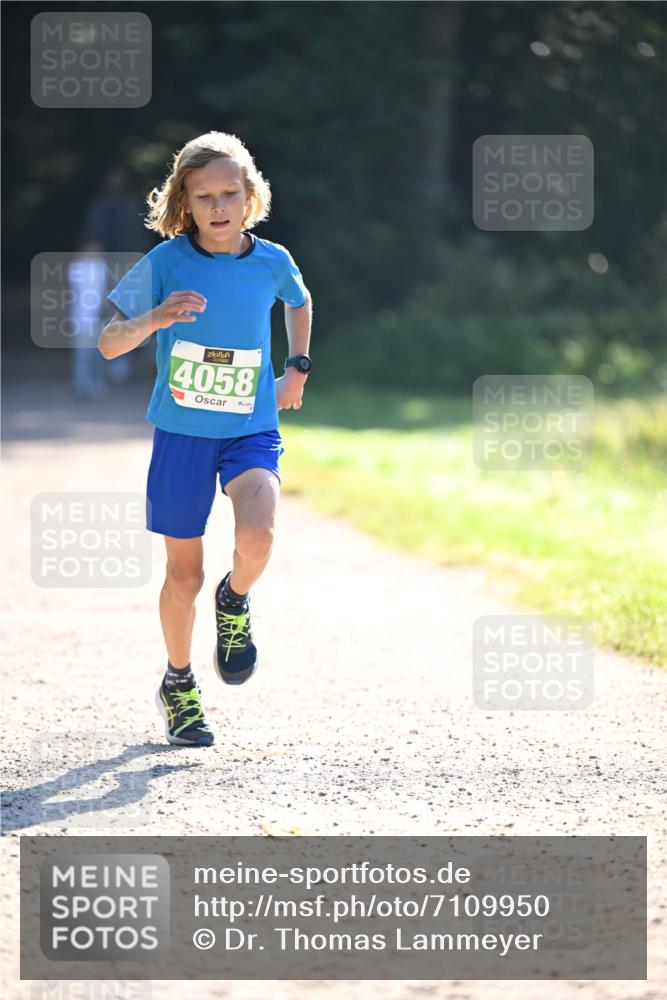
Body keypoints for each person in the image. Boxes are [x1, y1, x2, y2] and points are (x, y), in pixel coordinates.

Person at [98, 133, 313, 747]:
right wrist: (157, 316)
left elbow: (299, 302)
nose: (218, 206)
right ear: (184, 204)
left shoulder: (273, 259)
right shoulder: (167, 262)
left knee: (258, 533)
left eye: (229, 193)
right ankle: (179, 683)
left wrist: (296, 368)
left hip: (250, 427)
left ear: (250, 196)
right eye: (204, 196)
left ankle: (236, 599)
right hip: (183, 435)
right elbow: (110, 342)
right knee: (182, 577)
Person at [74, 166, 150, 398]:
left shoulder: (129, 206)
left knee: (124, 311)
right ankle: (106, 362)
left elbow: (138, 235)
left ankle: (120, 359)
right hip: (101, 266)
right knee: (98, 314)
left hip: (125, 264)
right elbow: (92, 235)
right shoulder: (99, 207)